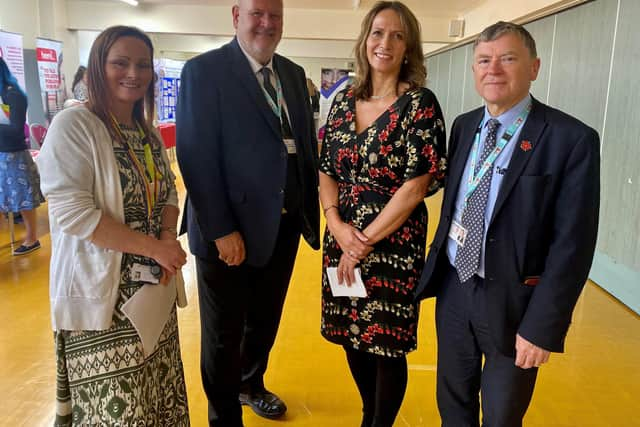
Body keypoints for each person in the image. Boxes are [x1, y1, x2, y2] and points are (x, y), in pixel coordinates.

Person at [415, 21, 600, 427]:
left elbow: (573, 245)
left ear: (533, 67)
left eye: (508, 58)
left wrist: (542, 327)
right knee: (453, 406)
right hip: (455, 289)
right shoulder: (464, 126)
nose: (493, 69)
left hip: (516, 305)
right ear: (474, 69)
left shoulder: (571, 139)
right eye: (484, 60)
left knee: (501, 416)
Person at [176, 0, 320, 424]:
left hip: (283, 224)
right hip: (229, 233)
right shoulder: (204, 72)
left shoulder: (292, 75)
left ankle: (251, 383)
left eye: (275, 16)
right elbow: (196, 156)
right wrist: (221, 230)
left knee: (264, 320)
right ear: (236, 16)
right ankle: (224, 415)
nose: (267, 24)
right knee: (223, 335)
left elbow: (298, 146)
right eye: (257, 14)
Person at [37, 26, 190, 426]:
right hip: (104, 303)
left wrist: (166, 239)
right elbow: (75, 215)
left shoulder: (147, 134)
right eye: (119, 62)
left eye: (142, 65)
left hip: (152, 295)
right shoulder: (75, 126)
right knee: (120, 412)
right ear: (95, 69)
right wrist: (155, 249)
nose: (133, 73)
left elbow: (170, 193)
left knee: (157, 397)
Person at [319, 2, 446, 426]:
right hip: (341, 238)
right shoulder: (342, 103)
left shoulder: (420, 105)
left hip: (392, 244)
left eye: (397, 35)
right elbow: (326, 171)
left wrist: (362, 242)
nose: (385, 43)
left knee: (385, 341)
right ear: (364, 40)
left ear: (409, 47)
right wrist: (336, 225)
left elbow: (415, 186)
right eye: (377, 32)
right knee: (350, 333)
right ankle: (367, 412)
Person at [0, 57, 44, 255]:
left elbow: (17, 129)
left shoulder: (14, 95)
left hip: (13, 155)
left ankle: (31, 238)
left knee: (23, 199)